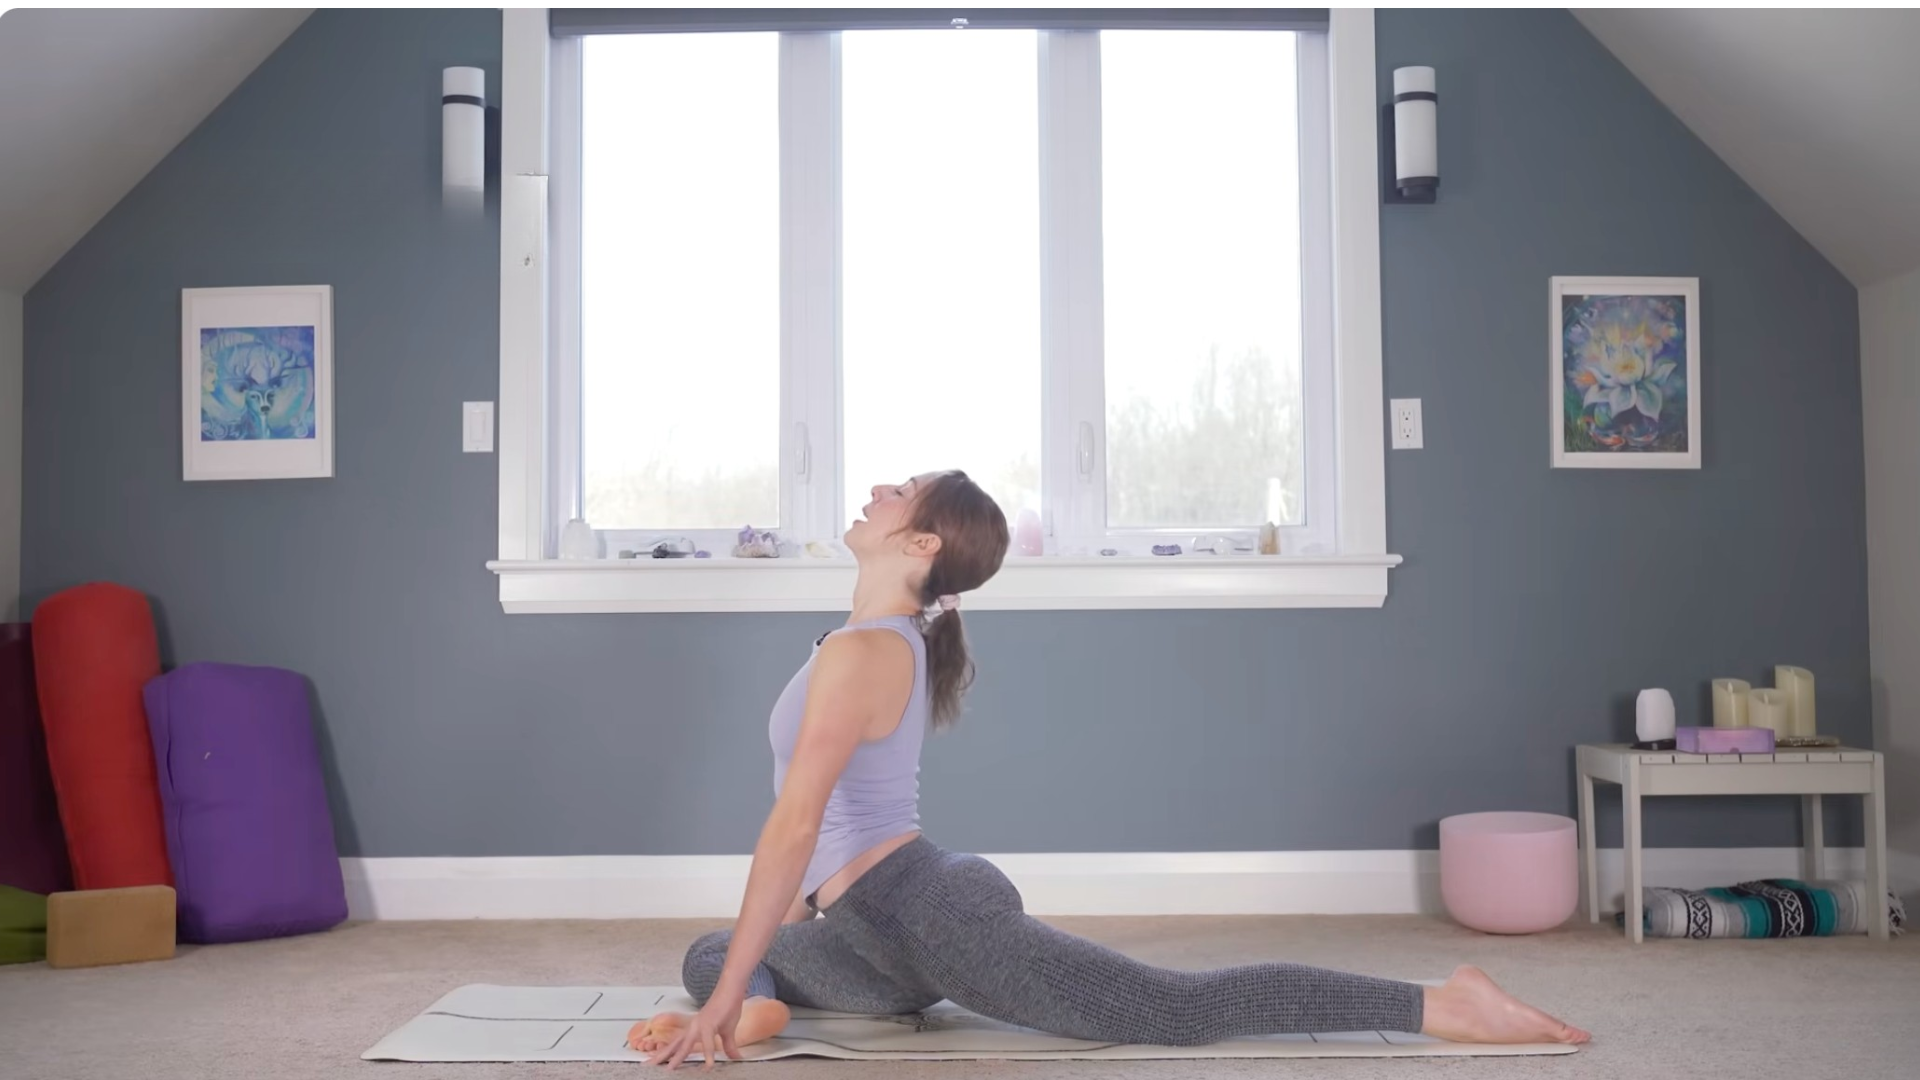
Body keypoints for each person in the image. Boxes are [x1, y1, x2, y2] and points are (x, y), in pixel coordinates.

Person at [630, 470, 1590, 1069]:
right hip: (879, 933)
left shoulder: (869, 652)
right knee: (712, 953)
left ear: (921, 543)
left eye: (900, 491)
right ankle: (751, 1008)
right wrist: (737, 983)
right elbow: (820, 833)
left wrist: (724, 1003)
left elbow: (796, 826)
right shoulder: (863, 640)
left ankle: (1440, 1004)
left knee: (1168, 1010)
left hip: (927, 914)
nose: (877, 488)